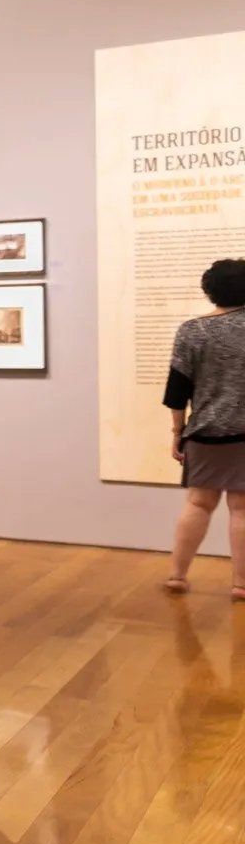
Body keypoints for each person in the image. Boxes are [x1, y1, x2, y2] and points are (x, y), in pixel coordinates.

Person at [163, 257, 245, 601]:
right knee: (242, 508)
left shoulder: (191, 331)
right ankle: (241, 584)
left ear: (209, 291)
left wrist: (177, 432)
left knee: (198, 503)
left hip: (205, 432)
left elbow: (177, 390)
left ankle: (177, 576)